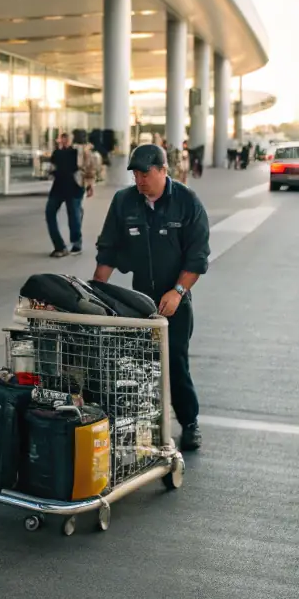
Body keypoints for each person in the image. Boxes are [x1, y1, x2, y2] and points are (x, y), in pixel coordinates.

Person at [93, 143, 210, 452]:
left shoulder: (186, 202)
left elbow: (197, 257)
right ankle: (142, 424)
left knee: (174, 362)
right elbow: (108, 249)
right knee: (137, 364)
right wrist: (94, 292)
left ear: (163, 171)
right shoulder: (124, 202)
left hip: (175, 300)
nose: (140, 180)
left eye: (146, 173)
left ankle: (190, 422)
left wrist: (179, 291)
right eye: (135, 174)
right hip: (139, 299)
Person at [46, 132, 83, 257]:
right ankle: (59, 246)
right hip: (58, 187)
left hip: (74, 187)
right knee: (49, 213)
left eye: (67, 138)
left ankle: (76, 243)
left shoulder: (76, 153)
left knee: (74, 217)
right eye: (63, 138)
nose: (65, 141)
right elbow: (52, 168)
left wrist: (89, 186)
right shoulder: (56, 153)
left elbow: (85, 169)